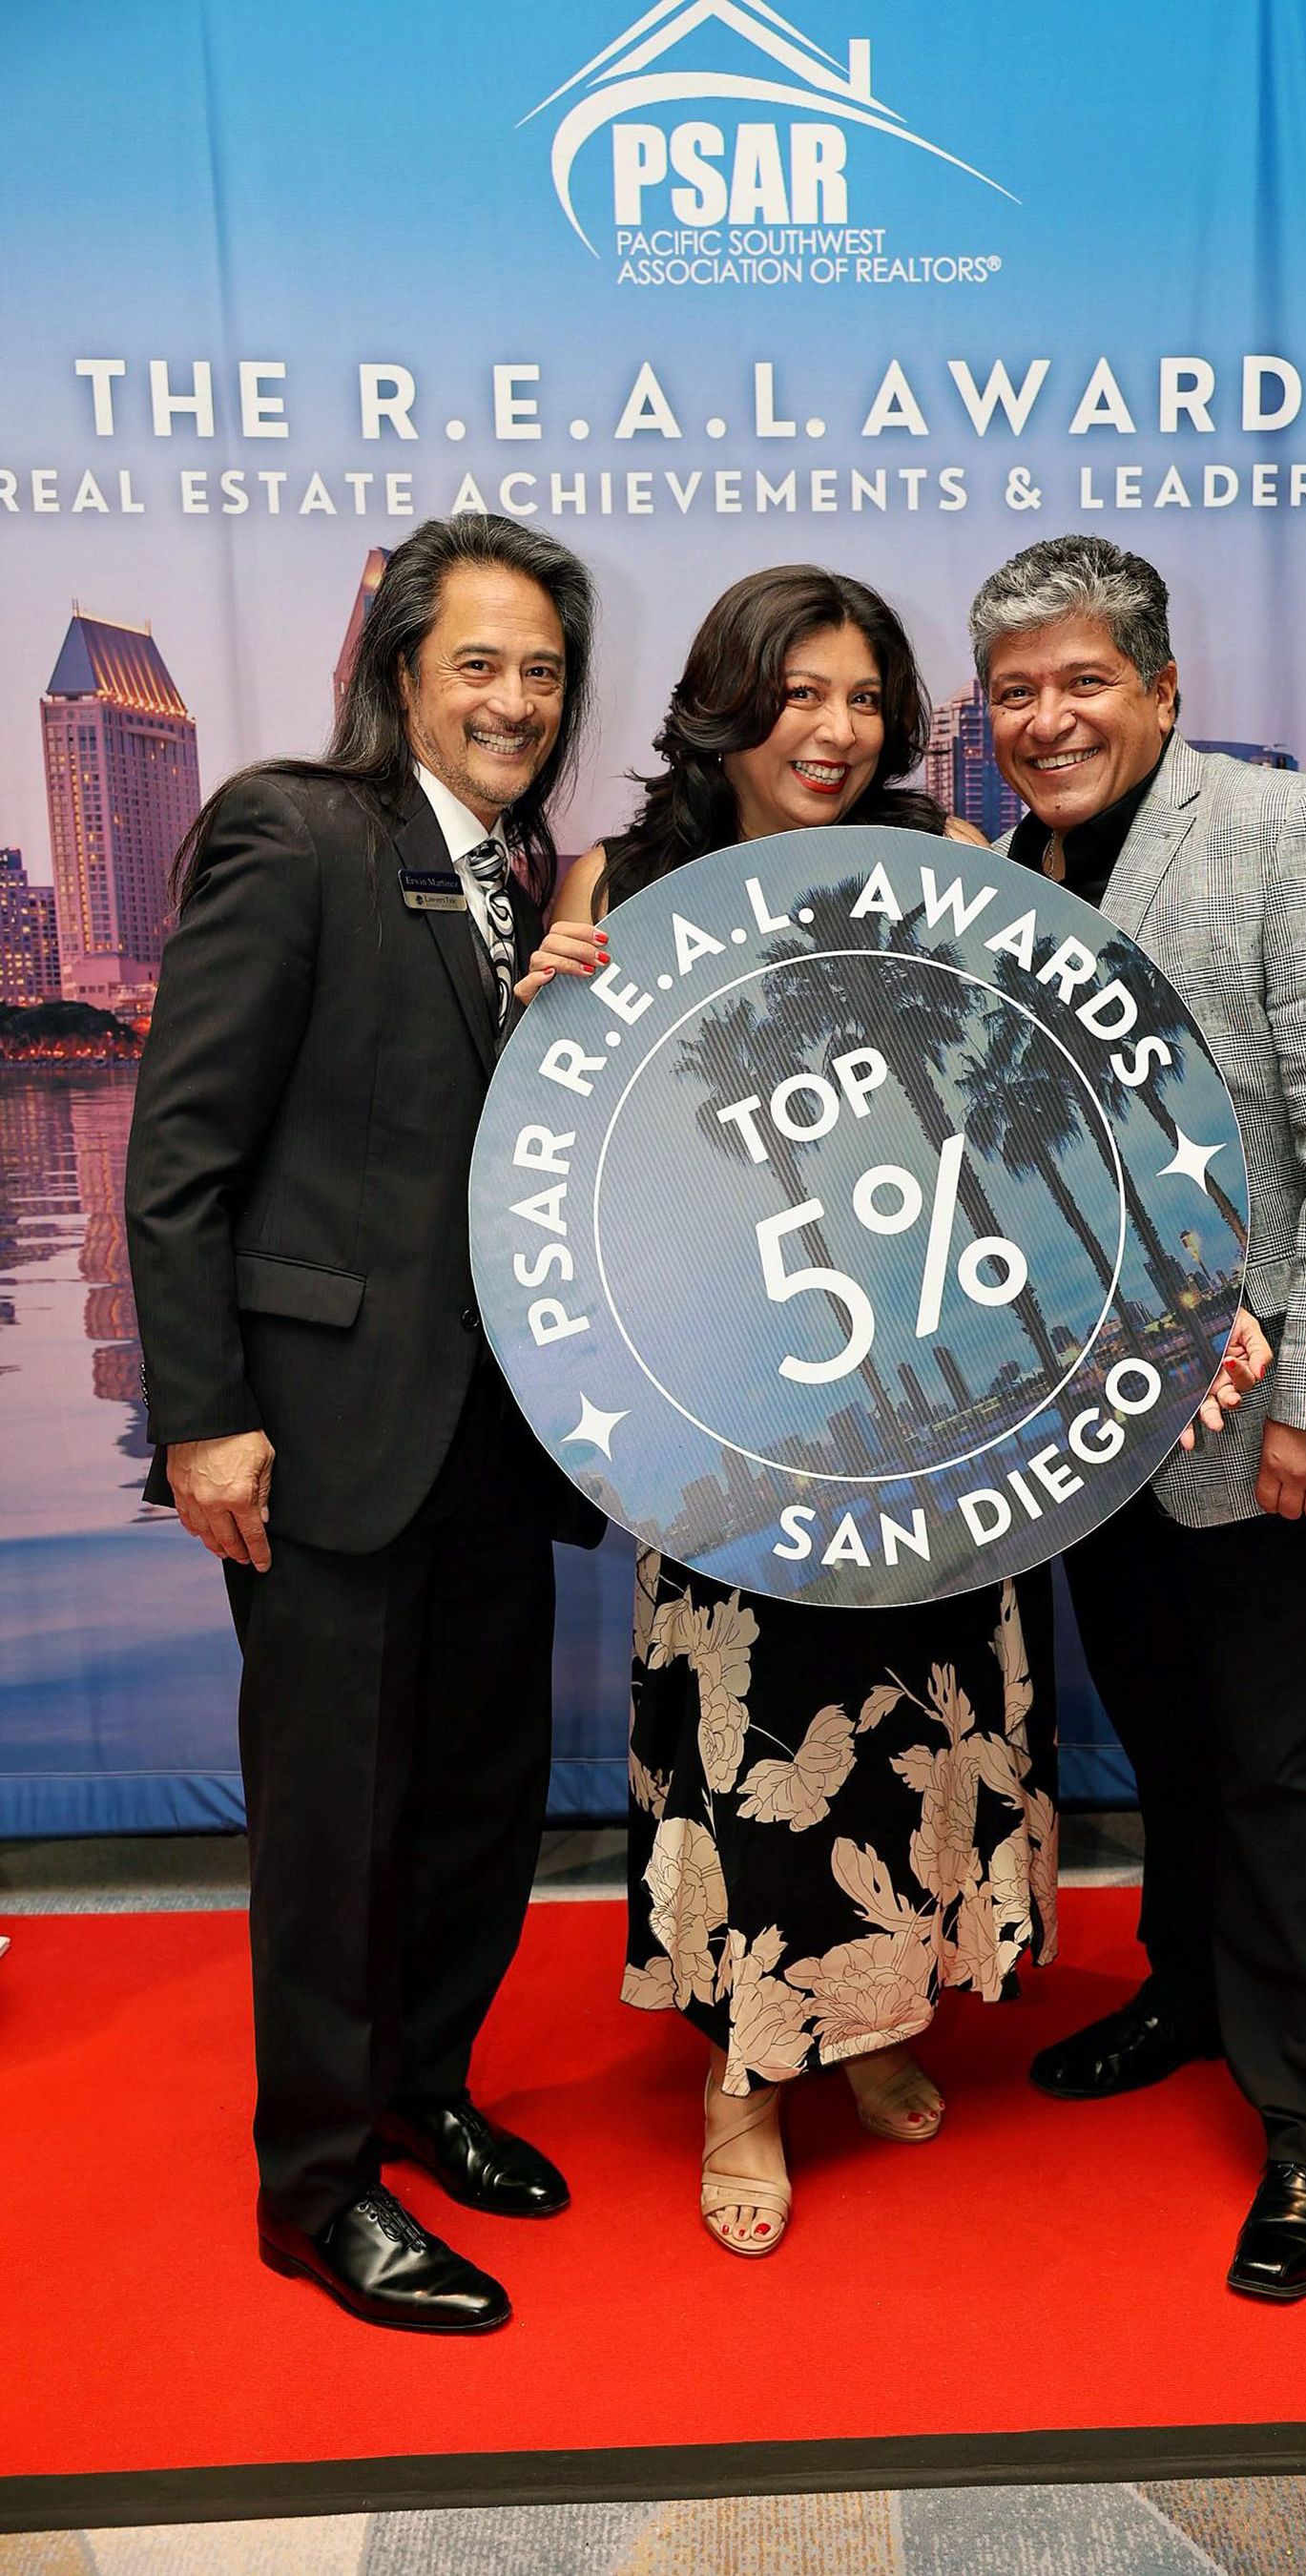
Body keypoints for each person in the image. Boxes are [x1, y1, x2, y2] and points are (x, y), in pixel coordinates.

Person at [523, 563, 1269, 2258]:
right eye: (801, 695)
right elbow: (556, 1161)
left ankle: (874, 2023)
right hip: (728, 1415)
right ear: (728, 702)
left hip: (936, 1412)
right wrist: (537, 1007)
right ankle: (745, 2080)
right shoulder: (621, 886)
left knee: (921, 1727)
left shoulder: (942, 869)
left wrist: (1176, 1291)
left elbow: (1039, 1106)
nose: (838, 732)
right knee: (760, 1739)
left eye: (866, 699)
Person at [124, 515, 608, 2333]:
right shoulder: (293, 829)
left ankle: (423, 2089)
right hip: (323, 1437)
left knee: (479, 1798)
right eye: (478, 663)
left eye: (542, 670)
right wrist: (204, 1420)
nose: (514, 700)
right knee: (335, 1827)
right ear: (401, 672)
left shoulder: (532, 880)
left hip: (496, 1434)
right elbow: (180, 1161)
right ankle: (317, 2188)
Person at [969, 534, 1306, 2302]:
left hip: (1277, 1427)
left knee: (1281, 1760)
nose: (1048, 718)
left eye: (1084, 680)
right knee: (1171, 1740)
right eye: (1014, 692)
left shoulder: (1288, 829)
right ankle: (1190, 1990)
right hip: (1100, 1433)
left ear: (1165, 690)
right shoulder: (1003, 878)